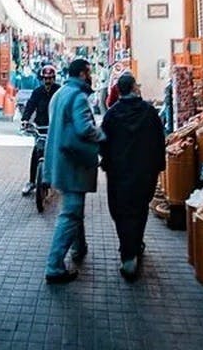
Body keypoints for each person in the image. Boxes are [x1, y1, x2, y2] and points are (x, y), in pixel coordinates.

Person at [100, 73, 165, 280]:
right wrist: (158, 166)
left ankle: (128, 253)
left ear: (118, 90)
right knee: (139, 210)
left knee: (121, 212)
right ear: (135, 88)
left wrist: (107, 162)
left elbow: (103, 144)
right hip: (144, 172)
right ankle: (134, 246)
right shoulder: (149, 112)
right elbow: (159, 140)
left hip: (119, 174)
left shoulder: (112, 115)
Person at [42, 58, 101, 284]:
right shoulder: (78, 97)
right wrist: (104, 137)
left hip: (60, 160)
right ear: (84, 74)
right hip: (74, 164)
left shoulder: (60, 94)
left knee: (75, 208)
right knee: (71, 212)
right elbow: (85, 129)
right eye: (90, 72)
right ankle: (54, 266)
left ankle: (80, 247)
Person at [20, 64, 60, 196]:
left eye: (50, 78)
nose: (47, 81)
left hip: (55, 128)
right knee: (36, 152)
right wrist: (25, 120)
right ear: (41, 79)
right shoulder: (37, 92)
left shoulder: (59, 91)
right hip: (40, 127)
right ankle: (32, 181)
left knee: (60, 152)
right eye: (45, 79)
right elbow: (30, 105)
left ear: (54, 78)